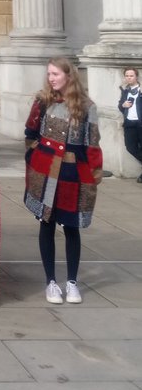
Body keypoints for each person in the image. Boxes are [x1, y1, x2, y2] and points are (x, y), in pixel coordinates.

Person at [25, 58, 103, 305]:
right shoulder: (42, 100)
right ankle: (50, 281)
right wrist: (35, 155)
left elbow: (92, 144)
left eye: (55, 74)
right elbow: (30, 133)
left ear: (69, 75)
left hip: (73, 174)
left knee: (71, 227)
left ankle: (71, 281)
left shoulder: (87, 106)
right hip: (45, 171)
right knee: (46, 224)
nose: (51, 78)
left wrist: (93, 175)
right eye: (49, 74)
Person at [118, 67, 142, 183]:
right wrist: (123, 105)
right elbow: (119, 106)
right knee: (130, 147)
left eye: (131, 76)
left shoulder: (141, 89)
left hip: (141, 123)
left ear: (136, 76)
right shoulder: (125, 90)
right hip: (129, 123)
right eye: (127, 76)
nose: (129, 78)